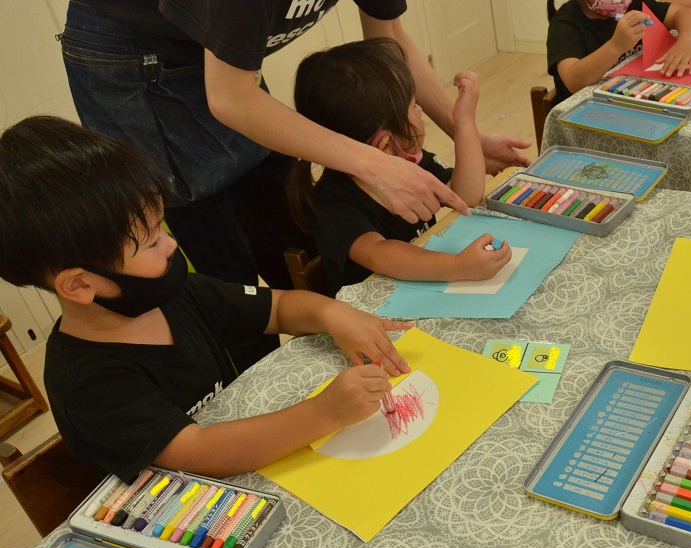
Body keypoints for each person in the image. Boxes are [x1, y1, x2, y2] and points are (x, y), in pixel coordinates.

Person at [58, 0, 531, 365]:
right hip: (140, 62)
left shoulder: (392, 164)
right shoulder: (343, 203)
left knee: (289, 245)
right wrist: (373, 166)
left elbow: (388, 39)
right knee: (229, 277)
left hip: (224, 74)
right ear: (382, 138)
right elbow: (232, 99)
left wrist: (463, 131)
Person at [0, 116, 413, 482]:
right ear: (78, 285)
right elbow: (197, 453)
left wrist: (333, 313)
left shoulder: (173, 293)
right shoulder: (87, 384)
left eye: (163, 228)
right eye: (151, 242)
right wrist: (325, 412)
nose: (171, 244)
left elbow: (277, 307)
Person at [287, 39, 512, 296]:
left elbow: (466, 196)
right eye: (413, 106)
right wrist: (459, 266)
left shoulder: (412, 163)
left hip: (421, 287)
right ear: (385, 143)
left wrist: (465, 123)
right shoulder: (334, 200)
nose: (421, 110)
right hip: (376, 308)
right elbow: (380, 254)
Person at [546, 0, 691, 105]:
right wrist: (616, 46)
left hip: (635, 98)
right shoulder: (566, 24)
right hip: (591, 114)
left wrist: (686, 41)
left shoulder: (630, 5)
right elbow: (573, 80)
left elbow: (684, 13)